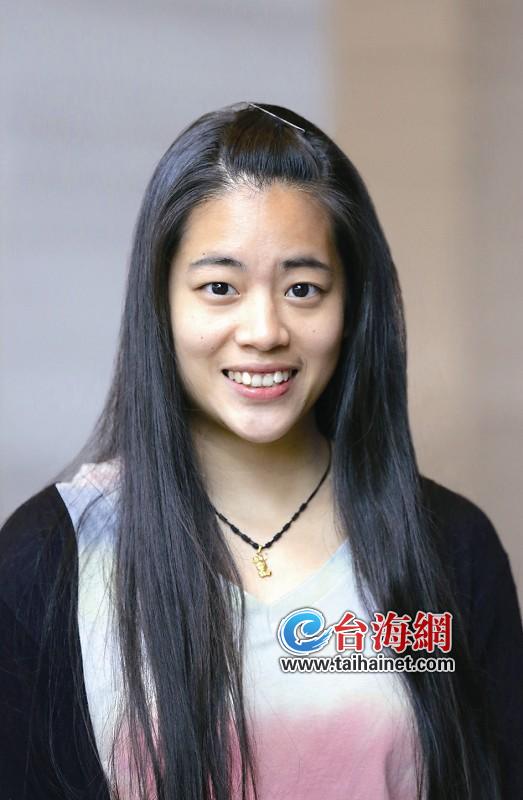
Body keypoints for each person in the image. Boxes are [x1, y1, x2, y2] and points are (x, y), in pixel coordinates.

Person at [0, 101, 521, 800]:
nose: (265, 330)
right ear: (161, 304)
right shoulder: (50, 558)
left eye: (303, 289)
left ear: (350, 307)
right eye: (220, 288)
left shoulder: (450, 549)